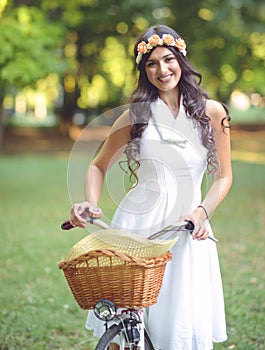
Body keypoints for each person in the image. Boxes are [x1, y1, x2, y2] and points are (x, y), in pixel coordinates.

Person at [69, 24, 232, 350]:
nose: (162, 70)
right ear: (144, 70)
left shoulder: (213, 113)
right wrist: (90, 202)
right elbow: (97, 166)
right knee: (126, 325)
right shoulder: (134, 116)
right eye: (152, 64)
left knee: (179, 326)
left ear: (181, 60)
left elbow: (224, 176)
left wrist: (202, 211)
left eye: (168, 59)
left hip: (186, 230)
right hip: (136, 227)